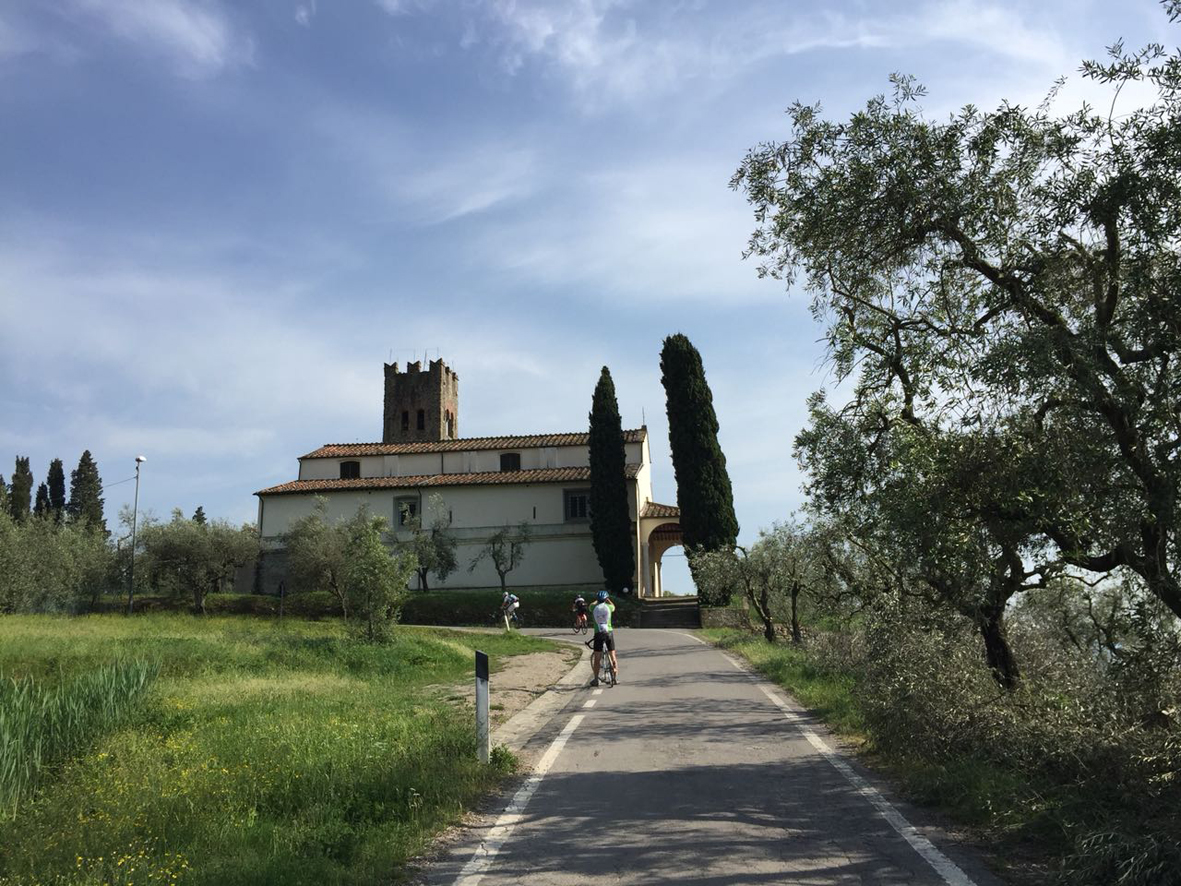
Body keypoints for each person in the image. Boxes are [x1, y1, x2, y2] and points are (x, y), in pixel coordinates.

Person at [590, 590, 618, 686]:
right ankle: (615, 678)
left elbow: (591, 605)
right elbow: (614, 606)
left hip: (598, 633)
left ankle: (596, 680)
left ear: (597, 599)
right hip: (608, 633)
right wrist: (608, 600)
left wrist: (596, 600)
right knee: (613, 656)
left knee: (597, 658)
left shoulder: (593, 607)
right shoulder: (609, 607)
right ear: (606, 599)